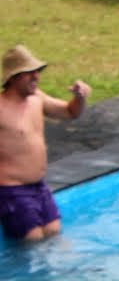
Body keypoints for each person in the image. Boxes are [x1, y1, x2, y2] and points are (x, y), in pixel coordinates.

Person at [0, 45, 91, 243]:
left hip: (39, 187)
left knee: (54, 234)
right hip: (12, 191)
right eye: (29, 73)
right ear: (13, 77)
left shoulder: (37, 99)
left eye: (37, 71)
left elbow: (70, 112)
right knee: (32, 242)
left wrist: (80, 98)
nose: (36, 76)